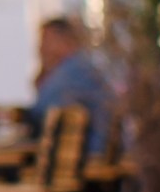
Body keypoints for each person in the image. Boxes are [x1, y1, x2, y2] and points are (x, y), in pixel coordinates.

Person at [29, 12, 115, 157]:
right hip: (96, 151)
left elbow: (39, 111)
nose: (40, 49)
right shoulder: (83, 65)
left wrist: (42, 83)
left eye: (45, 41)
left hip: (88, 155)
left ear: (65, 41)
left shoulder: (71, 71)